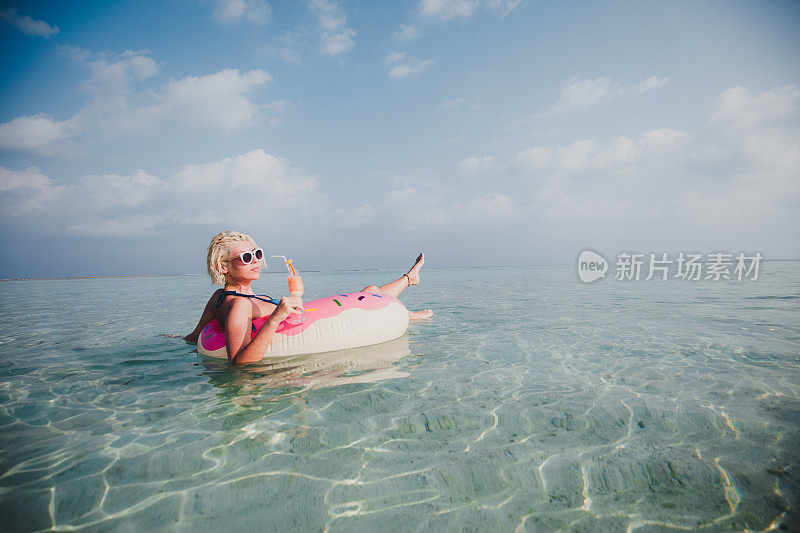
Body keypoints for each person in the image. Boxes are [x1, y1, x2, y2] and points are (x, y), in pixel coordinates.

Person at [184, 231, 433, 364]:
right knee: (371, 294)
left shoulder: (220, 296)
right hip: (298, 331)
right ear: (223, 266)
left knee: (369, 291)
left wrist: (177, 340)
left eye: (257, 253)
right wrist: (275, 319)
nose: (257, 261)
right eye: (246, 258)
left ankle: (410, 282)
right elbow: (239, 362)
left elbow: (197, 334)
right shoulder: (240, 305)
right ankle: (410, 302)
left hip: (299, 317)